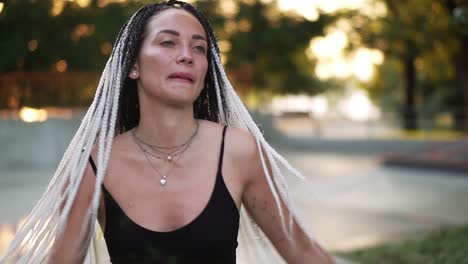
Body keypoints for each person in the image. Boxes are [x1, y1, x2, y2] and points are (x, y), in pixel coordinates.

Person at [1, 1, 335, 263]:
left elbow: (303, 253)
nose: (186, 56)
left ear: (207, 69)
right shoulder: (93, 167)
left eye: (199, 48)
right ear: (133, 65)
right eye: (168, 43)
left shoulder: (238, 151)